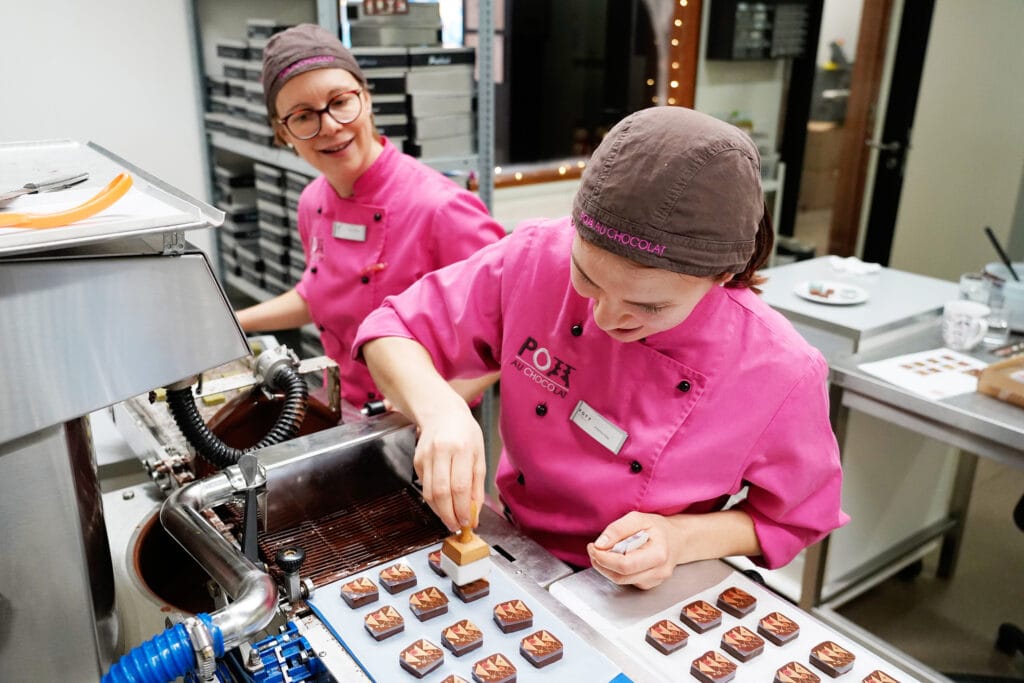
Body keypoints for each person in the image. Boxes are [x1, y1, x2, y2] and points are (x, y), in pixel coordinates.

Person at [354, 106, 849, 590]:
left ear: (722, 278)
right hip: (514, 544)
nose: (605, 317)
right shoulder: (534, 258)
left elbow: (800, 517)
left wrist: (681, 538)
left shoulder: (779, 370)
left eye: (647, 306)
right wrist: (441, 409)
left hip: (649, 591)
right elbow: (389, 328)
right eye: (586, 278)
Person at [236, 24, 505, 408]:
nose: (330, 125)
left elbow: (516, 326)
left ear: (366, 98)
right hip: (345, 412)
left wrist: (435, 406)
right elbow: (321, 294)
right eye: (302, 116)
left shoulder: (440, 208)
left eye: (340, 101)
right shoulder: (312, 202)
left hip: (421, 432)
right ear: (283, 134)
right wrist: (233, 323)